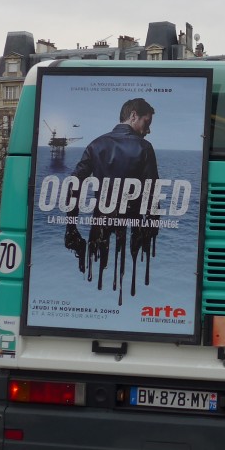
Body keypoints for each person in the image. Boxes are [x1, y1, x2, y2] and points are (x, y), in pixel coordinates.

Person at [63, 97, 160, 301]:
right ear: (133, 116)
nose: (148, 130)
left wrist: (71, 226)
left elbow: (74, 183)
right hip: (132, 227)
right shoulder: (144, 148)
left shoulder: (96, 144)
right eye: (146, 122)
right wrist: (152, 227)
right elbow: (152, 192)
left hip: (100, 224)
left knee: (95, 279)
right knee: (130, 284)